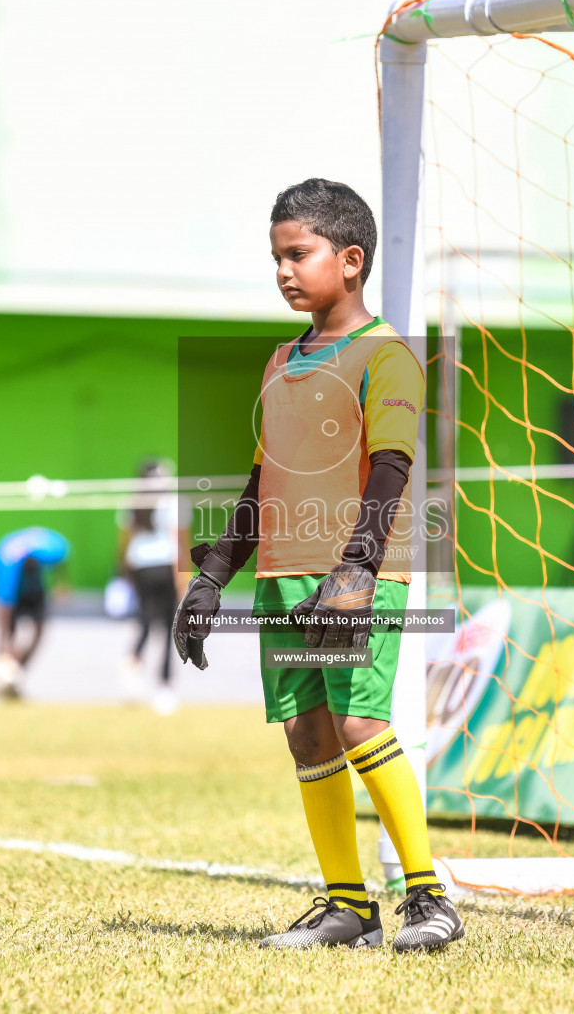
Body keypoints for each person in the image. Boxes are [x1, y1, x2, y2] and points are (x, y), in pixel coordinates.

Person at [172, 179, 464, 952]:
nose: (283, 270)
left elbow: (393, 467)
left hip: (352, 573)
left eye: (298, 254)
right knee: (308, 732)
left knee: (360, 719)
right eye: (276, 257)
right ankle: (347, 906)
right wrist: (210, 578)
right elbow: (260, 483)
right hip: (282, 574)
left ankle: (430, 900)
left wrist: (357, 569)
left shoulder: (387, 352)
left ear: (352, 259)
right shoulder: (280, 361)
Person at [116, 459, 188, 715]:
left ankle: (133, 662)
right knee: (170, 626)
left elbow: (124, 542)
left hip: (140, 568)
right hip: (165, 567)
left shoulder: (132, 501)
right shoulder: (173, 502)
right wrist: (183, 578)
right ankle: (164, 686)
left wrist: (123, 573)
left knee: (146, 621)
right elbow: (177, 539)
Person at [0, 526, 70, 695]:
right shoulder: (7, 567)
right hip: (14, 593)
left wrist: (61, 583)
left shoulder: (52, 548)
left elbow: (61, 559)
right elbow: (3, 608)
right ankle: (4, 676)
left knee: (40, 632)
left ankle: (17, 675)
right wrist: (3, 646)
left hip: (34, 592)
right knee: (7, 642)